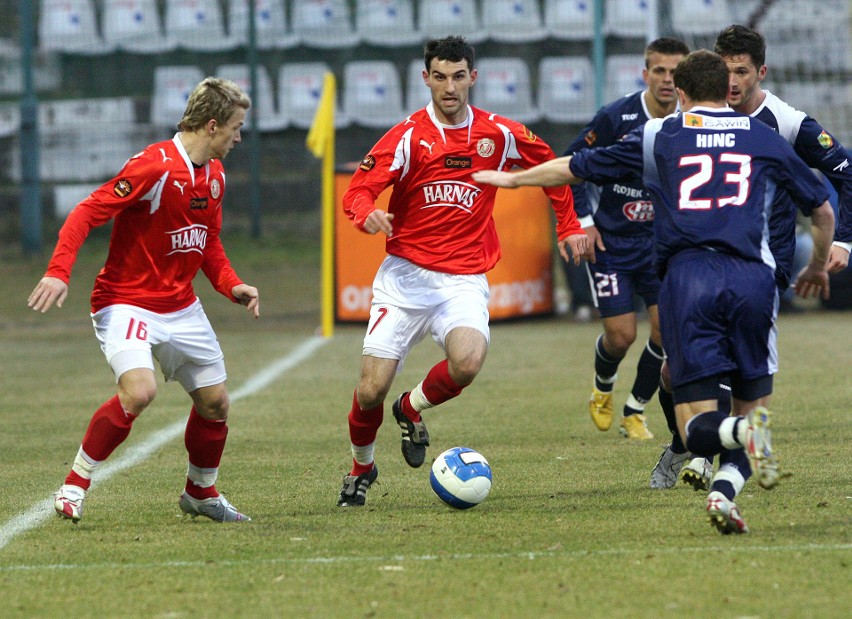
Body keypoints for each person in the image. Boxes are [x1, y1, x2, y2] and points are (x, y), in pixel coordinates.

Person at [473, 50, 836, 534]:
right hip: (753, 280)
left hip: (689, 280)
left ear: (682, 93)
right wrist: (815, 266)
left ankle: (739, 435)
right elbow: (823, 212)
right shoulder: (764, 138)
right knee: (753, 408)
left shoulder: (660, 134)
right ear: (727, 86)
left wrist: (514, 179)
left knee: (695, 427)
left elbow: (576, 168)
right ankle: (726, 492)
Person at [336, 36, 590, 507]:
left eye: (458, 76)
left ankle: (410, 408)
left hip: (463, 279)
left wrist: (570, 225)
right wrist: (364, 213)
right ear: (426, 78)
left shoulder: (498, 134)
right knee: (369, 390)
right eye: (439, 76)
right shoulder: (408, 136)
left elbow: (555, 168)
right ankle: (361, 467)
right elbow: (357, 191)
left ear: (473, 77)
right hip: (405, 279)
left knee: (468, 362)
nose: (449, 87)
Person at [27, 78, 259, 523]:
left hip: (181, 305)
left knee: (216, 403)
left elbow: (207, 242)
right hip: (126, 300)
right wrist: (58, 272)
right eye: (236, 126)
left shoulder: (214, 175)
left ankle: (200, 493)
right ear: (212, 126)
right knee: (140, 390)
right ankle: (73, 486)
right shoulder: (153, 167)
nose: (239, 136)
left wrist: (232, 285)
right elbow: (85, 212)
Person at [651, 24, 852, 493]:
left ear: (761, 71)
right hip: (698, 263)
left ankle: (711, 463)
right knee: (670, 371)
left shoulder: (783, 122)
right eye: (726, 71)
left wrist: (841, 241)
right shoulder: (687, 122)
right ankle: (693, 445)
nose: (733, 82)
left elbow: (845, 173)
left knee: (726, 367)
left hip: (762, 264)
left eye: (743, 72)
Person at [564, 37, 690, 441]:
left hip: (660, 247)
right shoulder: (616, 117)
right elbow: (570, 164)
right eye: (660, 71)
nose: (668, 80)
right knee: (622, 336)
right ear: (645, 74)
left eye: (675, 73)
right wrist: (583, 221)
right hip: (613, 245)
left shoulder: (692, 120)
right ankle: (602, 388)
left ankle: (635, 411)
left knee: (664, 332)